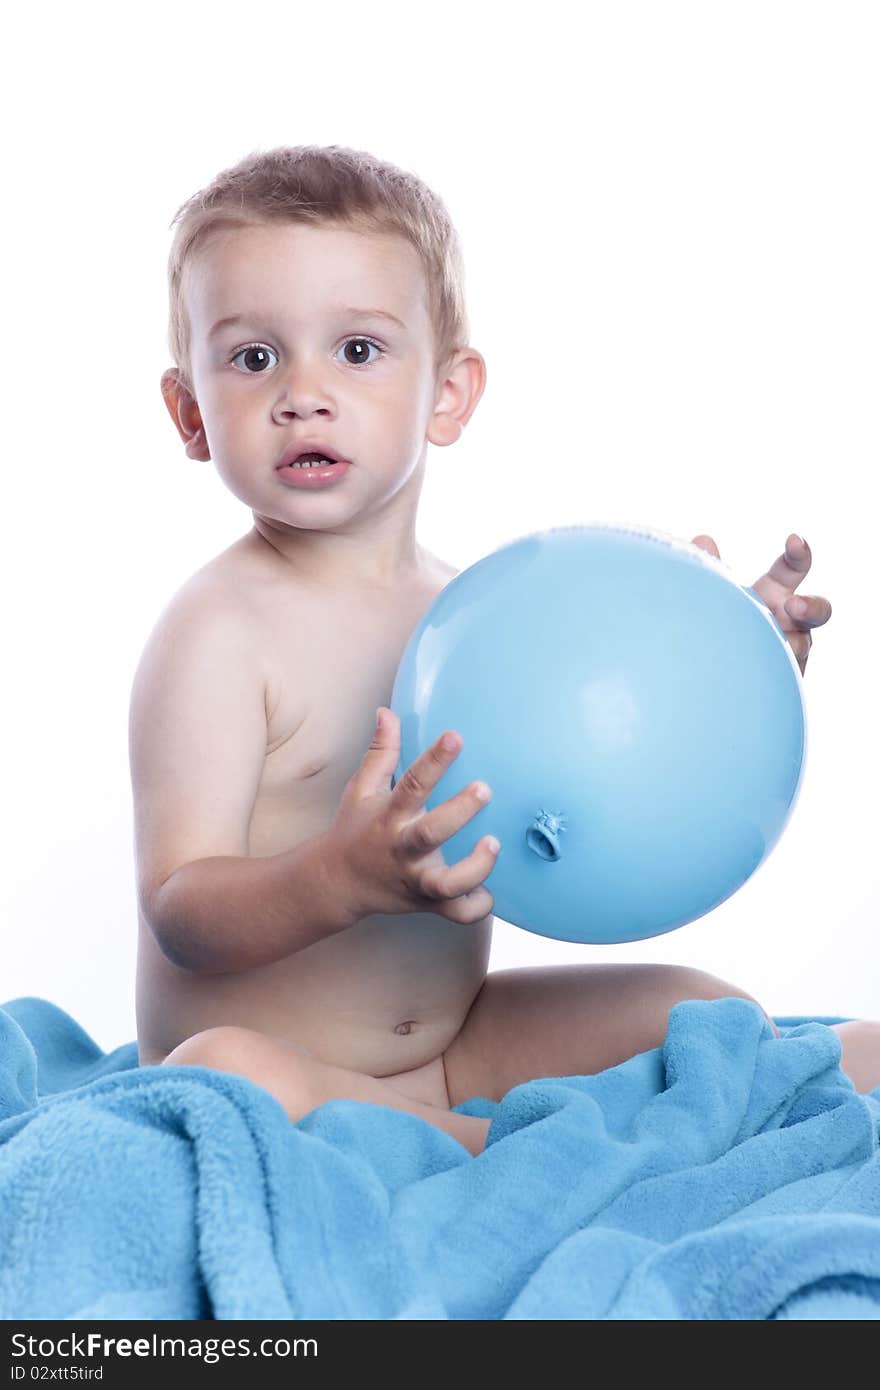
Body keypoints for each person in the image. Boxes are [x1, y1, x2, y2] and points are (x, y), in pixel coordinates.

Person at [131, 145, 874, 1158]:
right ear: (189, 414)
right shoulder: (219, 632)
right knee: (220, 1070)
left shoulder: (476, 613)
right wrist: (335, 877)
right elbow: (181, 909)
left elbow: (602, 742)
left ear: (449, 392)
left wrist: (726, 661)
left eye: (356, 350)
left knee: (698, 1008)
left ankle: (801, 1071)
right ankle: (486, 1153)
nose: (303, 393)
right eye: (254, 357)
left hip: (456, 1035)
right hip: (277, 1053)